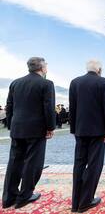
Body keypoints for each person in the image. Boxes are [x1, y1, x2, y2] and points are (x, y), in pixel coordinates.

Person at [2, 57, 56, 209]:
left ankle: (8, 198)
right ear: (41, 68)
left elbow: (9, 106)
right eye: (46, 65)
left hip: (17, 127)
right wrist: (50, 127)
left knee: (14, 162)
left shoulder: (15, 83)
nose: (46, 68)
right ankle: (25, 196)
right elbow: (49, 108)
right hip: (36, 129)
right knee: (33, 162)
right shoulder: (46, 83)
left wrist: (12, 124)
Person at [69, 60, 105, 213]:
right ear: (99, 69)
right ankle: (86, 201)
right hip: (98, 131)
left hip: (80, 130)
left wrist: (74, 129)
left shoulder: (75, 82)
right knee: (94, 165)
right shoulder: (104, 82)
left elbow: (72, 108)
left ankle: (75, 203)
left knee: (79, 164)